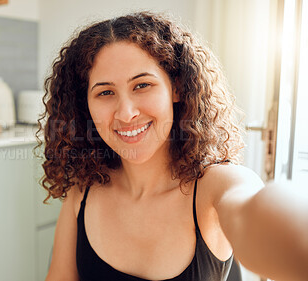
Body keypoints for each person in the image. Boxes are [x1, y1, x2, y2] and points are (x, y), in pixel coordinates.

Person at [36, 12, 308, 281]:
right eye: (105, 92)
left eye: (142, 85)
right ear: (86, 105)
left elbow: (256, 215)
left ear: (176, 88)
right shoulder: (82, 191)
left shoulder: (215, 186)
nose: (126, 113)